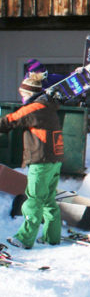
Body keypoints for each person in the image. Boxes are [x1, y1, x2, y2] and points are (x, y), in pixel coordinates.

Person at [0, 73, 64, 248]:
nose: (22, 98)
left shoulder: (34, 107)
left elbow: (9, 120)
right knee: (49, 200)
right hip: (55, 159)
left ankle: (24, 238)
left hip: (41, 161)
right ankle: (52, 236)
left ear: (29, 94)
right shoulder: (49, 106)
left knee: (34, 199)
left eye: (23, 94)